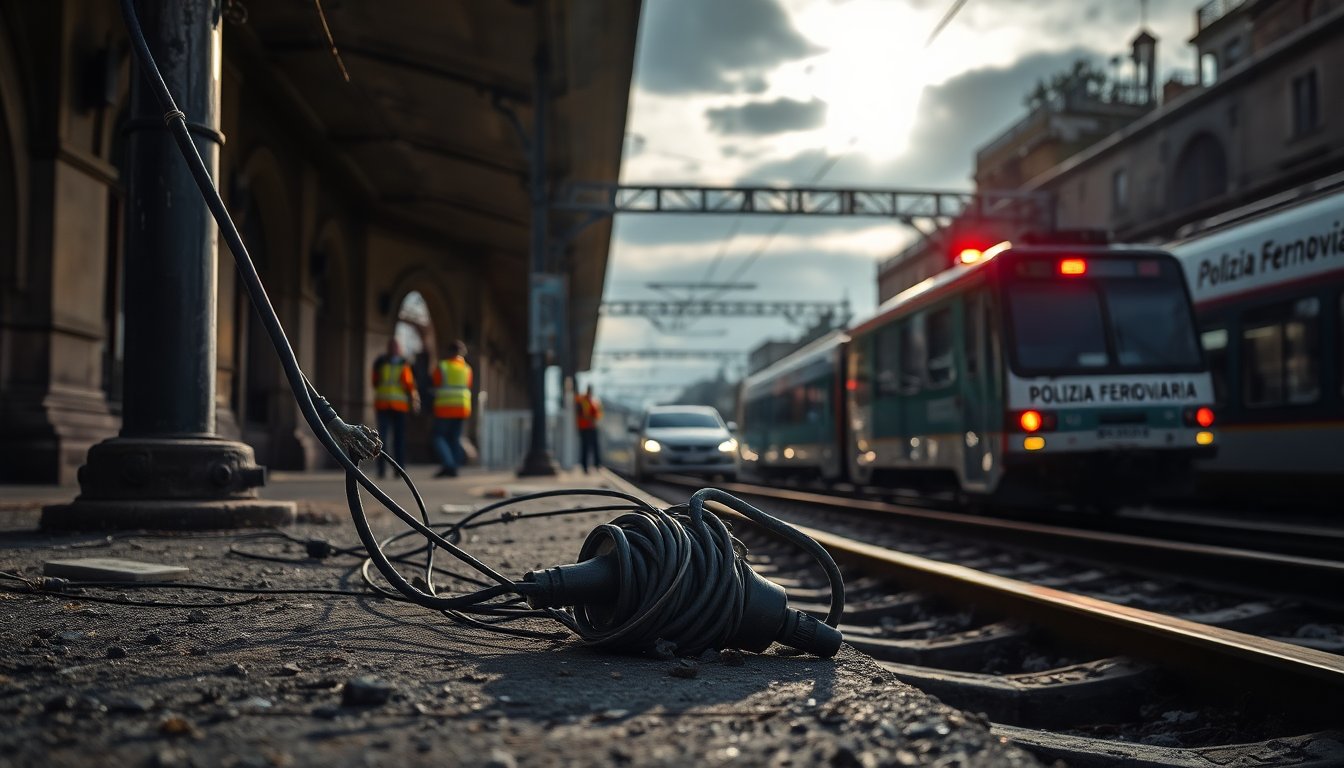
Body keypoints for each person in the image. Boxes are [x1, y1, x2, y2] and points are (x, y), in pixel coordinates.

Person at [371, 338, 417, 477]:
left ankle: (399, 469)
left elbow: (409, 386)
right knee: (381, 439)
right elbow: (375, 381)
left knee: (399, 439)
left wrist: (413, 401)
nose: (394, 349)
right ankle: (381, 470)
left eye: (396, 347)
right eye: (392, 346)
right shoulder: (380, 363)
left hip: (399, 407)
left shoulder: (405, 364)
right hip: (383, 405)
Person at [431, 340, 473, 478]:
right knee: (455, 438)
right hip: (462, 408)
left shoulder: (443, 366)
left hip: (445, 407)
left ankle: (449, 464)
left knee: (438, 437)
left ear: (449, 352)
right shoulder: (467, 368)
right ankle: (454, 466)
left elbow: (436, 383)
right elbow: (468, 385)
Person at [575, 384, 603, 473]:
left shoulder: (593, 401)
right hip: (585, 427)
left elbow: (597, 413)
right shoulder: (582, 400)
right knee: (586, 447)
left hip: (592, 426)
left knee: (594, 446)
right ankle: (585, 466)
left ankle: (597, 464)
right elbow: (583, 413)